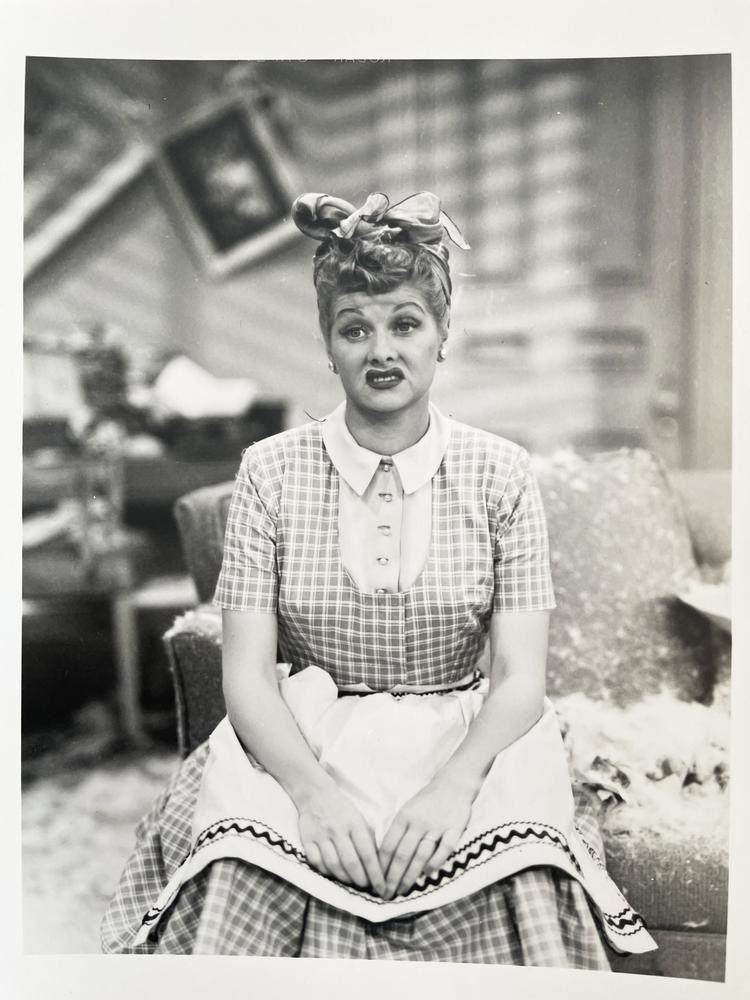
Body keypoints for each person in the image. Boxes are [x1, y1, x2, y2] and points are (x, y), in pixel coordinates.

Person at [101, 190, 656, 964]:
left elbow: (521, 678)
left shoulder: (501, 473)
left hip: (466, 736)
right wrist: (311, 795)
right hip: (303, 737)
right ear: (328, 345)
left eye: (405, 323)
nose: (381, 351)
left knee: (521, 874)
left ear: (442, 334)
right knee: (240, 867)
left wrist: (455, 787)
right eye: (354, 328)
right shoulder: (269, 471)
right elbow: (247, 678)